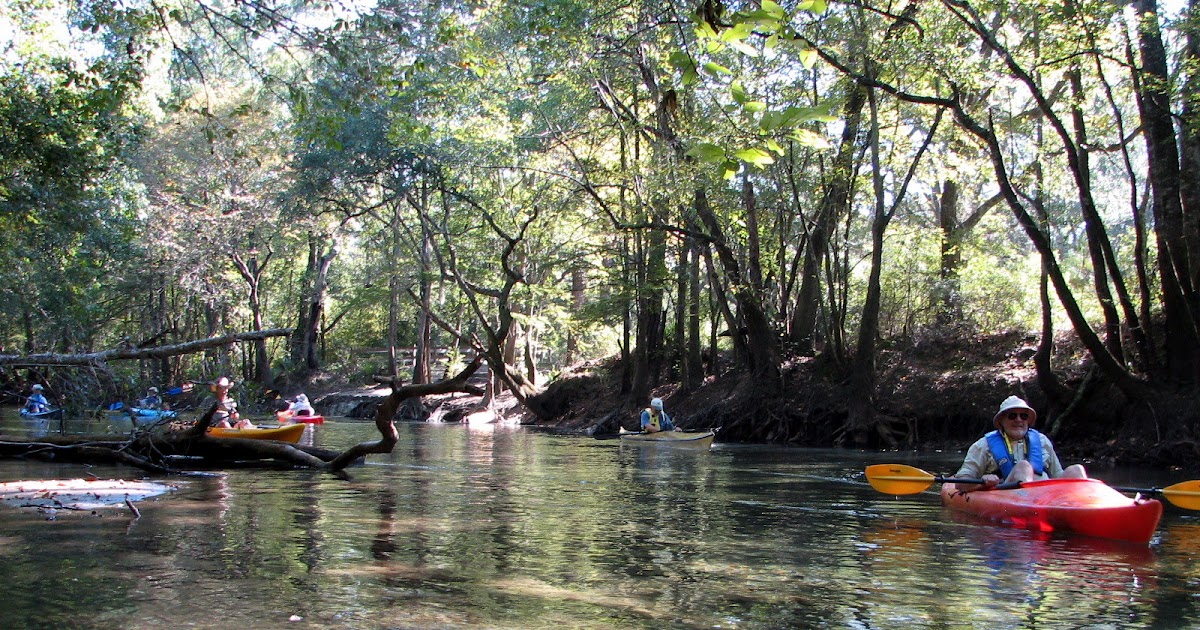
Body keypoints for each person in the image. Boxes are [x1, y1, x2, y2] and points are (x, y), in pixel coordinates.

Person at [954, 395, 1086, 492]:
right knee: (1023, 467)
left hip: (1047, 497)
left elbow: (1058, 476)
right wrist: (983, 483)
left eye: (1023, 416)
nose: (1018, 420)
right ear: (1001, 421)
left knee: (1076, 469)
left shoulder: (1042, 441)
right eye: (1012, 416)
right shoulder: (983, 446)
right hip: (1009, 495)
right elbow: (961, 483)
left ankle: (1084, 505)